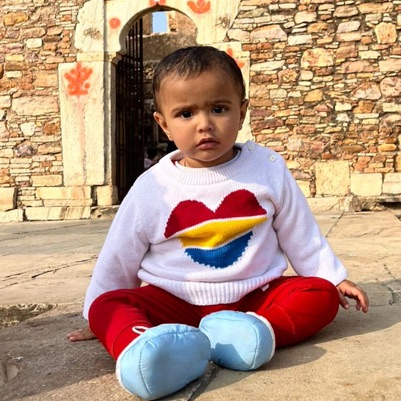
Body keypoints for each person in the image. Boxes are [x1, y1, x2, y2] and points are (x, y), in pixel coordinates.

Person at [68, 46, 369, 400]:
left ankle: (254, 334)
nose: (204, 124)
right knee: (108, 306)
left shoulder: (266, 168)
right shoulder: (153, 186)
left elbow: (298, 230)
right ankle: (146, 351)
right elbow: (119, 253)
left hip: (254, 299)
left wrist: (331, 276)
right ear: (163, 124)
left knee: (320, 295)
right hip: (173, 302)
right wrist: (97, 315)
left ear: (242, 112)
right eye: (185, 114)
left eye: (219, 109)